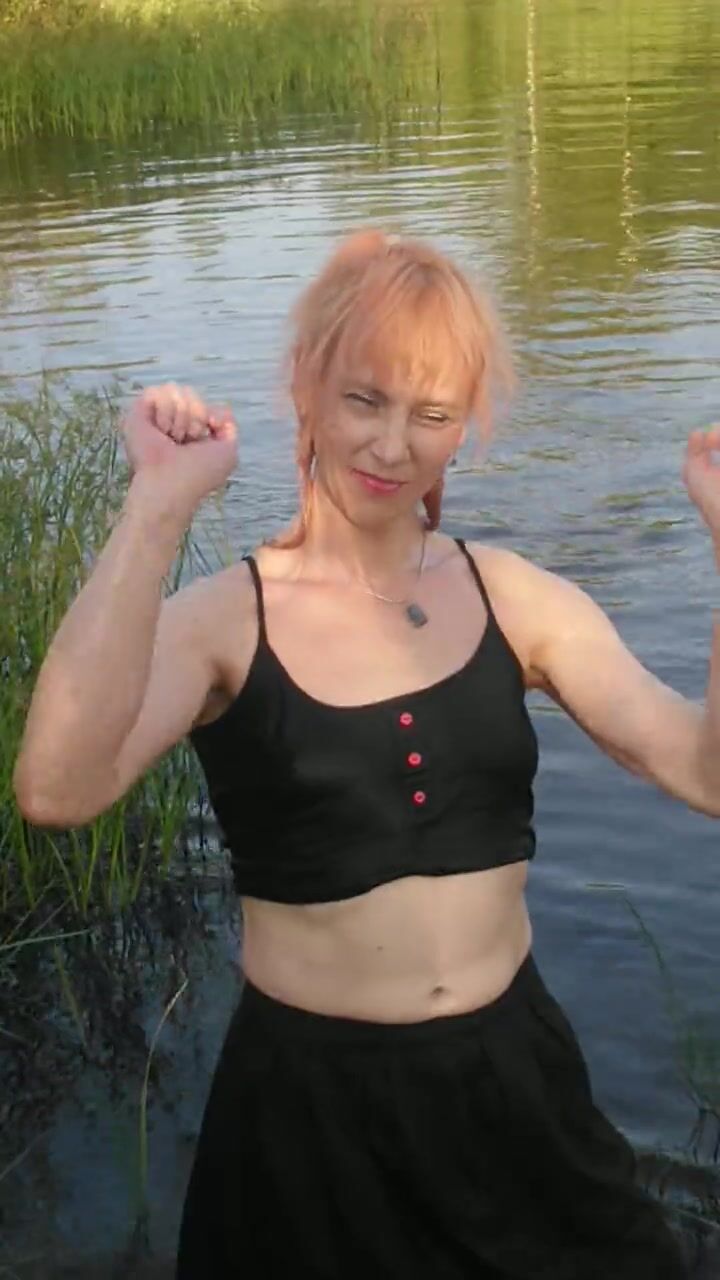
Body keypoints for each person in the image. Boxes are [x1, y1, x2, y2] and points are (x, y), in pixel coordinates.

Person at [13, 229, 720, 1279]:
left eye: (431, 414)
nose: (393, 446)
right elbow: (58, 787)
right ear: (306, 384)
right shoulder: (224, 621)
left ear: (465, 424)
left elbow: (706, 772)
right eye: (364, 400)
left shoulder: (515, 596)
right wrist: (157, 505)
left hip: (514, 1087)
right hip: (310, 1117)